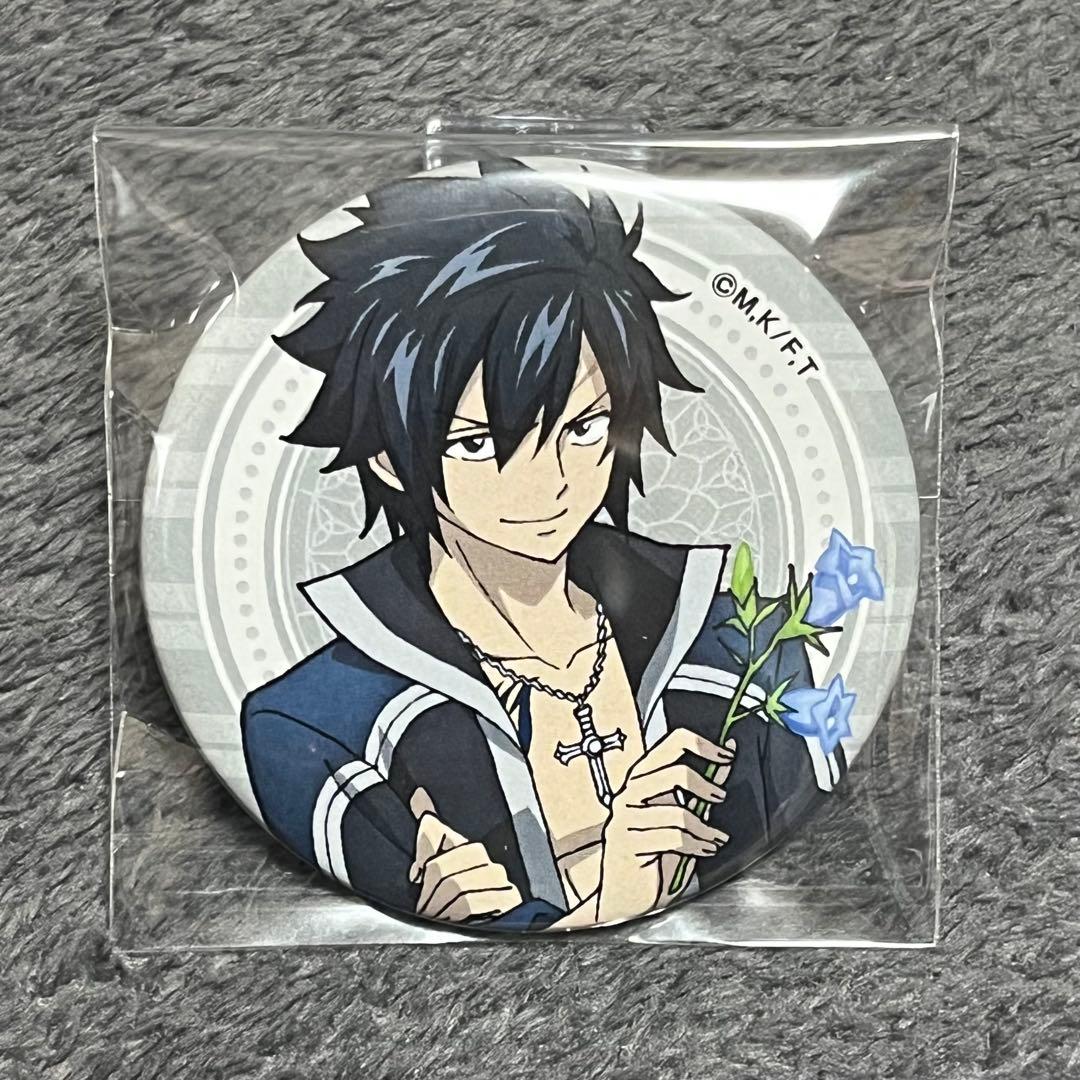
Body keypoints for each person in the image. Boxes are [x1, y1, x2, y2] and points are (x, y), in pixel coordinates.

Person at [240, 161, 844, 931]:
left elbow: (813, 853)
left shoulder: (743, 646)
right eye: (478, 442)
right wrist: (611, 898)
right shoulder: (316, 723)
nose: (547, 483)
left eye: (584, 428)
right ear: (389, 455)